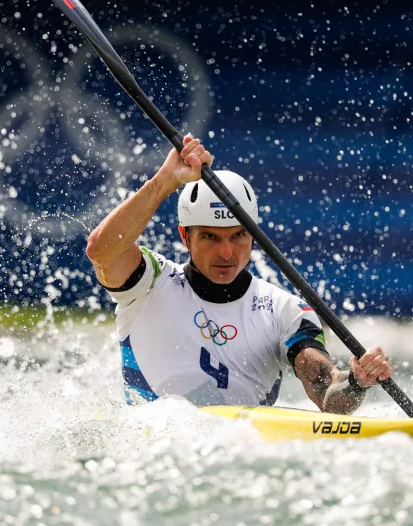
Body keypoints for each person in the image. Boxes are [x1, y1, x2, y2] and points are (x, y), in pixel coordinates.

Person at [85, 136, 394, 413]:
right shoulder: (149, 283)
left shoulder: (285, 311)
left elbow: (328, 398)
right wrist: (166, 181)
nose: (226, 253)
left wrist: (356, 381)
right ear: (184, 236)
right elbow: (101, 250)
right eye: (210, 237)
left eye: (238, 236)